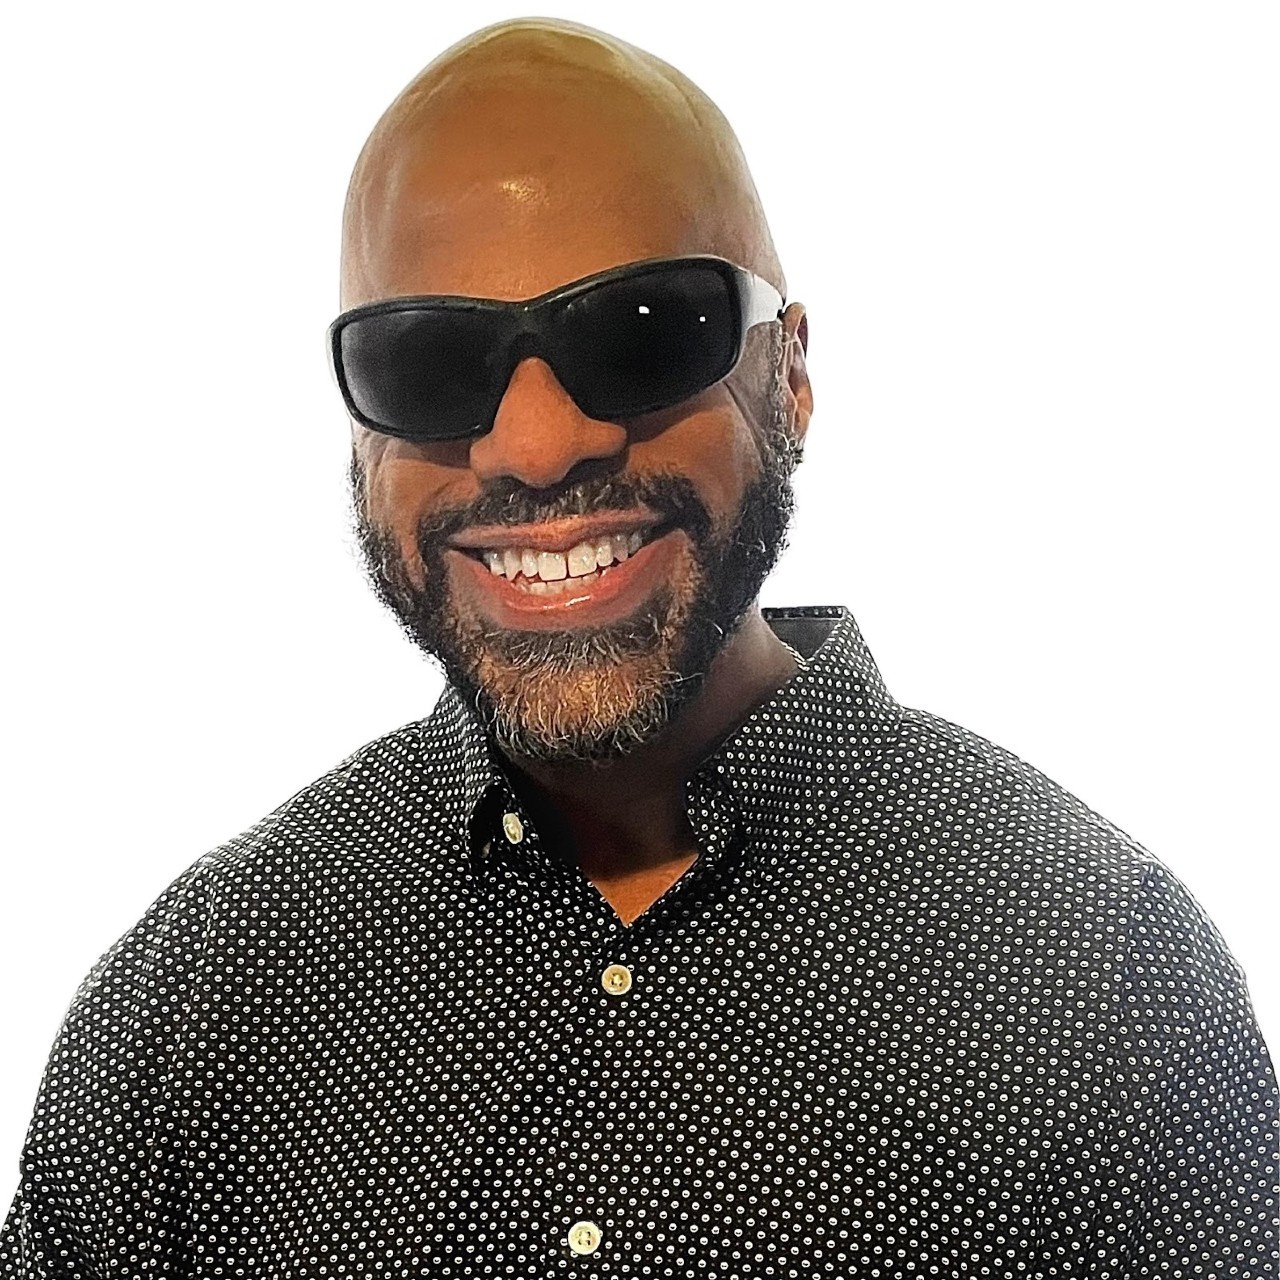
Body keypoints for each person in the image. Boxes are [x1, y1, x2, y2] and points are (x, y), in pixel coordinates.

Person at [2, 16, 1276, 1278]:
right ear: (355, 430)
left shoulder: (1113, 983)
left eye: (644, 327)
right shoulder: (193, 1001)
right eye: (430, 359)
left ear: (791, 374)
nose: (538, 444)